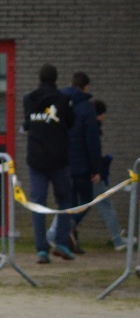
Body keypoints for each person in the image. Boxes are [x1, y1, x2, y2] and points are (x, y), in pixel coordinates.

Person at [23, 64, 76, 263]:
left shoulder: (29, 99)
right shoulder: (63, 100)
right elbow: (70, 122)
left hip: (36, 159)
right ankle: (62, 243)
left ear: (40, 77)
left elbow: (27, 123)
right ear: (55, 79)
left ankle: (41, 250)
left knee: (38, 205)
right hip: (59, 159)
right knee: (64, 201)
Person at [50, 71, 103, 253]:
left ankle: (72, 243)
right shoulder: (87, 108)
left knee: (70, 204)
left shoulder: (60, 103)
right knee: (87, 200)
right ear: (85, 86)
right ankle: (71, 227)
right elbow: (92, 141)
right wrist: (96, 168)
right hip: (81, 165)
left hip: (63, 163)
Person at [90, 100, 128, 250]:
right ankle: (118, 238)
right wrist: (96, 170)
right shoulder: (93, 130)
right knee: (106, 205)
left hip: (87, 173)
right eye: (103, 114)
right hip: (94, 175)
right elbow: (93, 151)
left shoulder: (87, 127)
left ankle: (54, 234)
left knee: (77, 204)